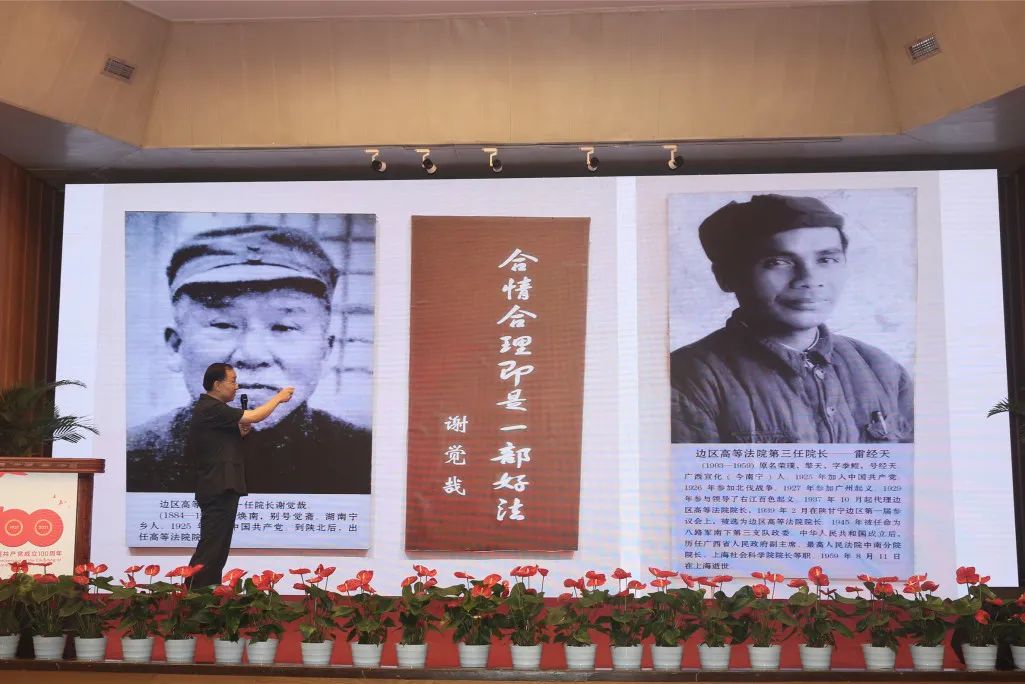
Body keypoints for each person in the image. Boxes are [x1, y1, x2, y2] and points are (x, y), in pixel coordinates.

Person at [127, 225, 372, 494]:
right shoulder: (129, 460)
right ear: (176, 347)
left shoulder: (364, 457)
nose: (252, 356)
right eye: (222, 325)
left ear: (326, 352)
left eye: (284, 327)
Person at [670, 193, 914, 444]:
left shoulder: (882, 370)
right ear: (727, 276)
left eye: (826, 259)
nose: (809, 279)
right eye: (778, 262)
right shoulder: (688, 378)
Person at [186, 362, 294, 588]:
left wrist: (239, 433)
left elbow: (220, 444)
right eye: (233, 381)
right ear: (217, 384)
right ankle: (195, 598)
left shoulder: (215, 411)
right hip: (217, 487)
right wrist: (278, 398)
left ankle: (205, 594)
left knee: (217, 549)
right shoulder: (210, 407)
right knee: (211, 548)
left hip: (222, 487)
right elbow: (254, 416)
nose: (236, 386)